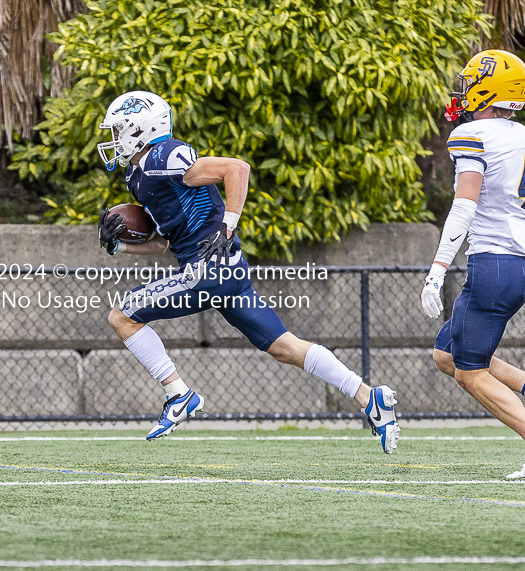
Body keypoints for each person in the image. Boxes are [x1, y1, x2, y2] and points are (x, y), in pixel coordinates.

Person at [96, 90, 400, 452]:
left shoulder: (164, 154)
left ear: (140, 128)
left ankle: (179, 394)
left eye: (119, 130)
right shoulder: (137, 175)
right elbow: (164, 241)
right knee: (284, 347)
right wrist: (123, 246)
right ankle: (369, 397)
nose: (114, 140)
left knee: (122, 316)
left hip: (209, 269)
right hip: (222, 270)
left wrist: (228, 225)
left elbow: (236, 169)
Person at [421, 50, 525, 479]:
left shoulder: (473, 134)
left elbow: (463, 210)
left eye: (470, 81)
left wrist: (436, 270)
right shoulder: (522, 136)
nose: (463, 89)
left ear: (488, 88)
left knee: (469, 371)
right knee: (446, 355)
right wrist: (524, 252)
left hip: (492, 266)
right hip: (517, 267)